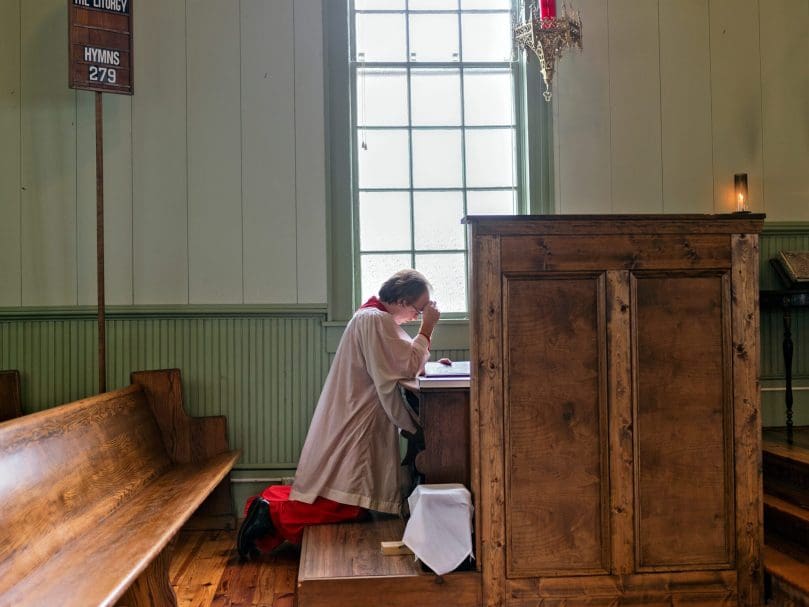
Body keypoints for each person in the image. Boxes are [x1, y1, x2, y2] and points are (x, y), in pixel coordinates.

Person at [237, 269, 441, 559]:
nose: (418, 316)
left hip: (354, 412)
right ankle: (270, 514)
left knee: (341, 494)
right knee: (346, 501)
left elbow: (403, 361)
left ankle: (267, 502)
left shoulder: (373, 317)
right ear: (403, 300)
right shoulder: (375, 320)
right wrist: (428, 330)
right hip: (359, 419)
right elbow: (407, 365)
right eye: (419, 310)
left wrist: (422, 347)